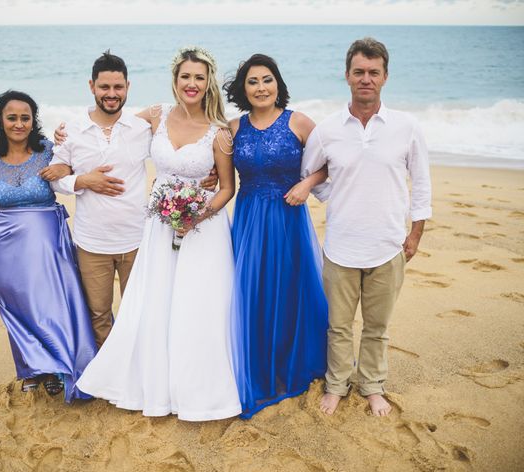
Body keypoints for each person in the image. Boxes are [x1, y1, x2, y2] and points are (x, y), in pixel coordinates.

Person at [75, 46, 241, 421]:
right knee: (155, 303)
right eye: (186, 77)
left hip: (203, 231)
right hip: (158, 227)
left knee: (198, 306)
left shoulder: (220, 132)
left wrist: (198, 214)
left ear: (208, 81)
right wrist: (66, 134)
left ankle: (195, 392)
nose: (192, 84)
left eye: (199, 77)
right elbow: (110, 127)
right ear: (175, 80)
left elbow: (227, 189)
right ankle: (151, 383)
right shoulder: (155, 115)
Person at [47, 51, 217, 349]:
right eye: (104, 87)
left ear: (127, 87)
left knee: (138, 311)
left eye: (118, 87)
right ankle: (104, 370)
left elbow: (180, 148)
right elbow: (57, 173)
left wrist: (209, 169)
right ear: (92, 86)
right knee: (98, 313)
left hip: (139, 239)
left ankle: (132, 369)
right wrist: (83, 180)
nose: (111, 94)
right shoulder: (72, 130)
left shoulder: (141, 128)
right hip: (92, 241)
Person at [302, 38, 432, 416]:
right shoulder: (327, 130)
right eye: (359, 72)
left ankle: (373, 385)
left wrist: (415, 234)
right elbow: (311, 174)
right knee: (339, 327)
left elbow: (421, 183)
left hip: (388, 246)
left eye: (373, 73)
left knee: (377, 327)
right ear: (347, 76)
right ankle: (337, 385)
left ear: (385, 77)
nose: (366, 79)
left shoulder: (406, 127)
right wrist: (337, 197)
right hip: (341, 246)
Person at [0, 90, 98, 402]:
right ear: (1, 120)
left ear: (33, 121)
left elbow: (72, 167)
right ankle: (31, 368)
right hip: (5, 248)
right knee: (18, 307)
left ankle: (57, 366)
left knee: (51, 306)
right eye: (12, 117)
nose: (18, 123)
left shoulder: (48, 151)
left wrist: (66, 166)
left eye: (25, 118)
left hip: (47, 245)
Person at [223, 54, 329, 419]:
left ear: (278, 83)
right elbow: (219, 171)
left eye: (267, 80)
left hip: (288, 216)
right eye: (253, 82)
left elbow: (331, 159)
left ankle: (291, 364)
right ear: (244, 89)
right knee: (252, 293)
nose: (261, 87)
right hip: (250, 219)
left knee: (290, 291)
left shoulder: (298, 122)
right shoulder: (234, 128)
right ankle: (258, 366)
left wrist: (307, 182)